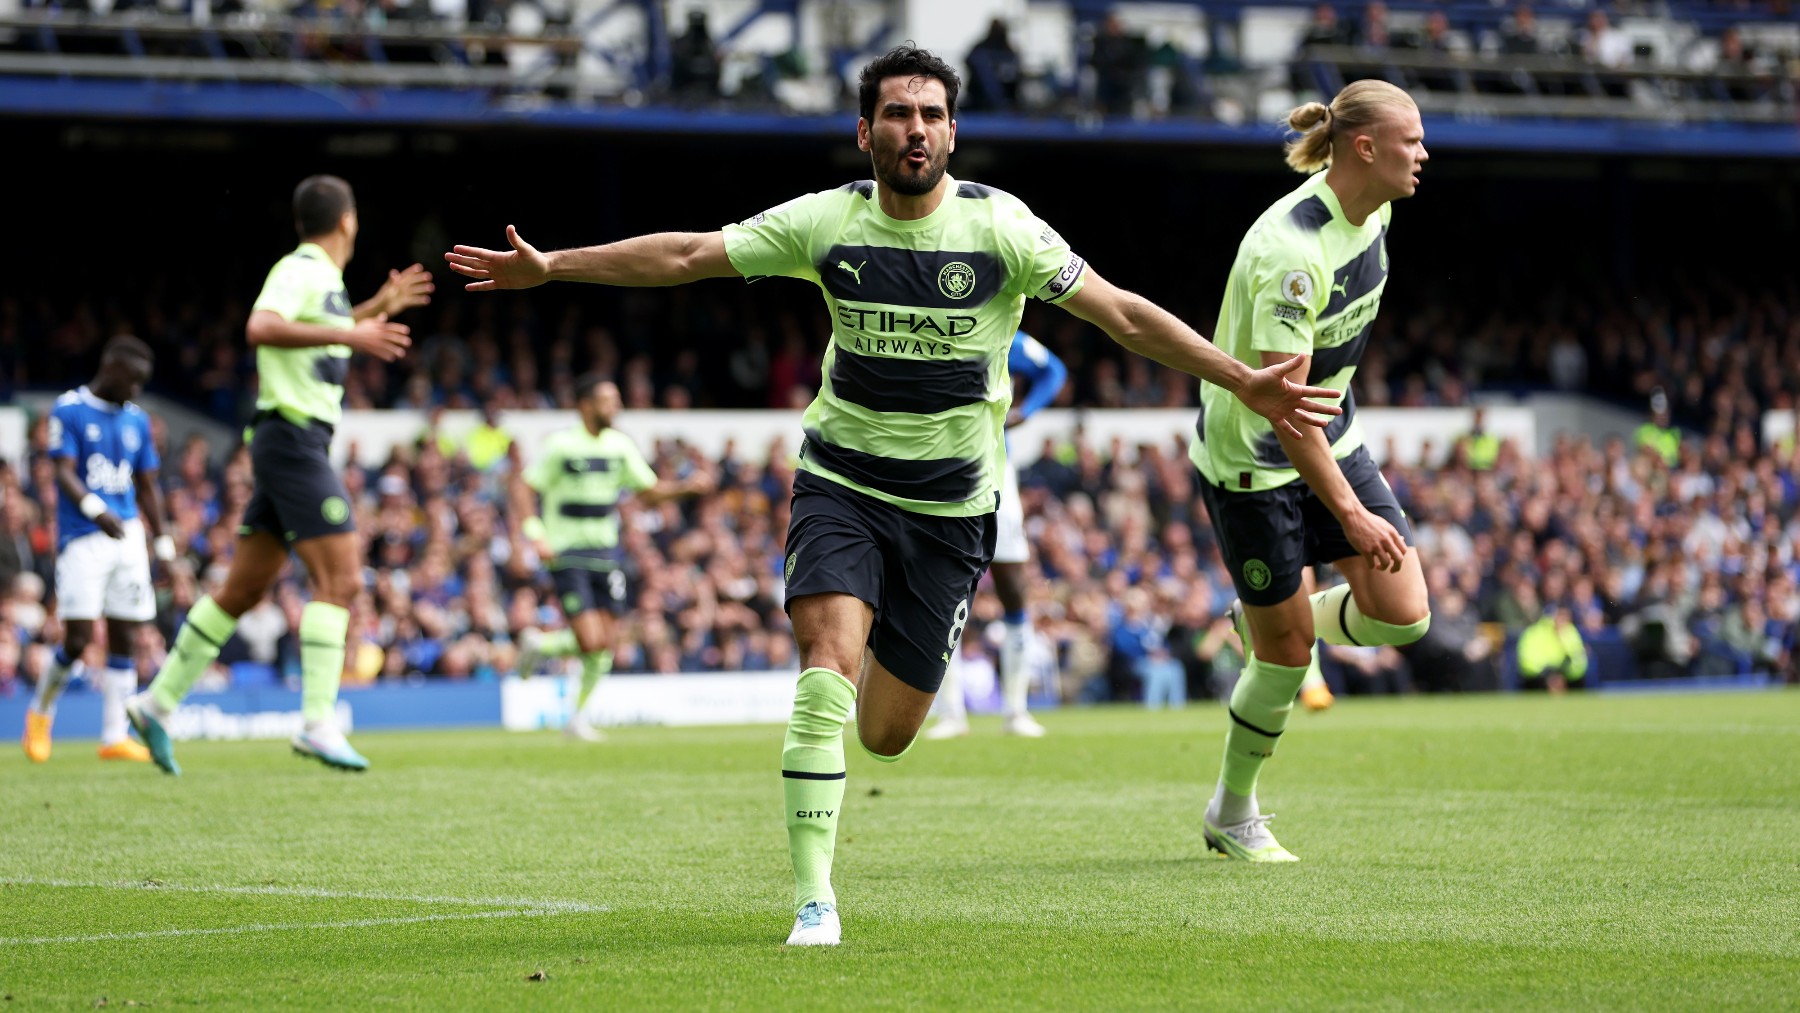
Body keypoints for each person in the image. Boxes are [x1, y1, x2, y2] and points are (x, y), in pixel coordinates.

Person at [446, 45, 1341, 946]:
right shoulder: (825, 222)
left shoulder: (1004, 230)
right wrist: (553, 265)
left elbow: (1121, 313)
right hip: (843, 482)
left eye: (930, 115)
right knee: (824, 673)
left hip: (953, 512)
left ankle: (868, 703)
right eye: (898, 113)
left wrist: (1241, 379)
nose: (914, 129)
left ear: (952, 132)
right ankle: (813, 898)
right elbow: (687, 254)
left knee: (885, 733)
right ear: (865, 129)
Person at [1190, 80, 1432, 863]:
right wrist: (1353, 516)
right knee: (1289, 659)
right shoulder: (1290, 253)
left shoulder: (1377, 210)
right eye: (1413, 140)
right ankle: (1233, 809)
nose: (1424, 154)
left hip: (1335, 432)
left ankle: (1257, 618)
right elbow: (1281, 412)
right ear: (1366, 148)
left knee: (1404, 611)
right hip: (1254, 462)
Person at [126, 175, 429, 776]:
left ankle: (155, 704)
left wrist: (371, 310)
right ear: (347, 220)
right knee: (341, 580)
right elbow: (262, 327)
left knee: (242, 590)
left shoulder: (328, 284)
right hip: (292, 439)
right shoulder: (303, 269)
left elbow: (308, 341)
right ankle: (318, 722)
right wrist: (351, 328)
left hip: (287, 441)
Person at [513, 376, 713, 741]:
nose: (615, 406)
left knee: (606, 643)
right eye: (608, 400)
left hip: (606, 554)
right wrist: (534, 534)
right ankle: (542, 648)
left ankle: (571, 707)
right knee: (591, 641)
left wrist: (684, 488)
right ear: (585, 405)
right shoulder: (561, 445)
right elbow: (524, 487)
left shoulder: (620, 446)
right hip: (567, 553)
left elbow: (648, 493)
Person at [21, 337, 171, 764]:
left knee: (126, 634)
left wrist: (163, 542)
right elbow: (61, 472)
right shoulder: (69, 409)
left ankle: (113, 736)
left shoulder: (137, 420)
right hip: (83, 537)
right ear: (113, 368)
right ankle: (40, 714)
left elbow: (147, 485)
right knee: (79, 638)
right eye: (135, 381)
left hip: (127, 538)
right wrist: (94, 508)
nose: (137, 390)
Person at [927, 329, 1068, 738]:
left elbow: (1053, 370)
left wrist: (1027, 410)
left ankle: (1016, 711)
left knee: (1011, 584)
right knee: (942, 588)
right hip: (940, 467)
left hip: (995, 467)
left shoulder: (1006, 333)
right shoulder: (932, 324)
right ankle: (951, 712)